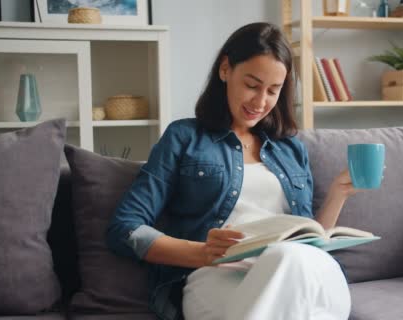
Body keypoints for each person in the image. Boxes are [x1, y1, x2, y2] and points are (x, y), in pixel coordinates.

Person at [106, 22, 361, 320]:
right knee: (295, 265)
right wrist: (201, 252)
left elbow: (308, 238)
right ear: (225, 69)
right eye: (252, 85)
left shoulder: (290, 148)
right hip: (216, 277)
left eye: (273, 91)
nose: (260, 102)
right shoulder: (185, 137)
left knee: (303, 260)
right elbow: (125, 227)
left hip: (296, 272)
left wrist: (339, 193)